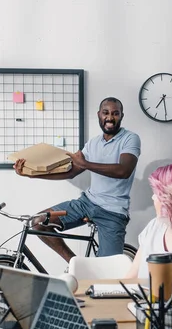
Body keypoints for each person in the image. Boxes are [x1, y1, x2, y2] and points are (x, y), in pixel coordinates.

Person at [14, 97, 141, 262]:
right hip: (86, 203)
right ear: (99, 115)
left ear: (121, 116)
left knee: (107, 271)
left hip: (113, 212)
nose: (110, 117)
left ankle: (92, 271)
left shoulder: (130, 138)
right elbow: (72, 172)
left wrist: (86, 163)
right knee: (38, 223)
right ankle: (77, 265)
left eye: (115, 113)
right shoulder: (93, 143)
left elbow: (124, 170)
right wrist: (32, 174)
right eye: (106, 113)